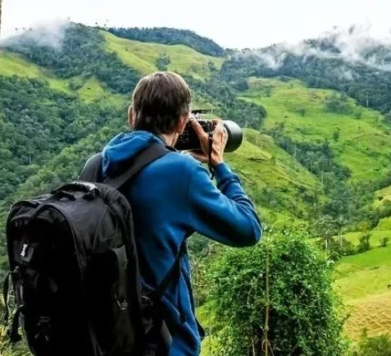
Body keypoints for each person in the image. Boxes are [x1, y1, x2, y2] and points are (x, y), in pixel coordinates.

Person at [84, 71, 262, 356]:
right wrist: (219, 166)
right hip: (162, 343)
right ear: (182, 121)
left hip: (106, 338)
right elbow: (249, 229)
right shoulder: (182, 173)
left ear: (132, 116)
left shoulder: (96, 165)